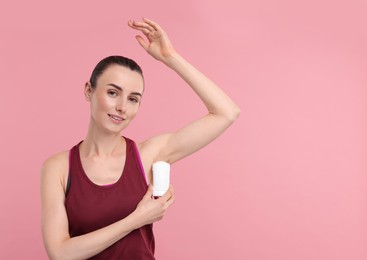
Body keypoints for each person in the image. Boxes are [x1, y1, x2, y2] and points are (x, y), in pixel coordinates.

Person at [40, 18, 240, 259]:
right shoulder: (58, 168)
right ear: (88, 90)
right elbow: (60, 254)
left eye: (133, 99)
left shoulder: (147, 154)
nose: (122, 107)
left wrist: (170, 57)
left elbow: (226, 112)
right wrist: (137, 219)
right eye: (113, 93)